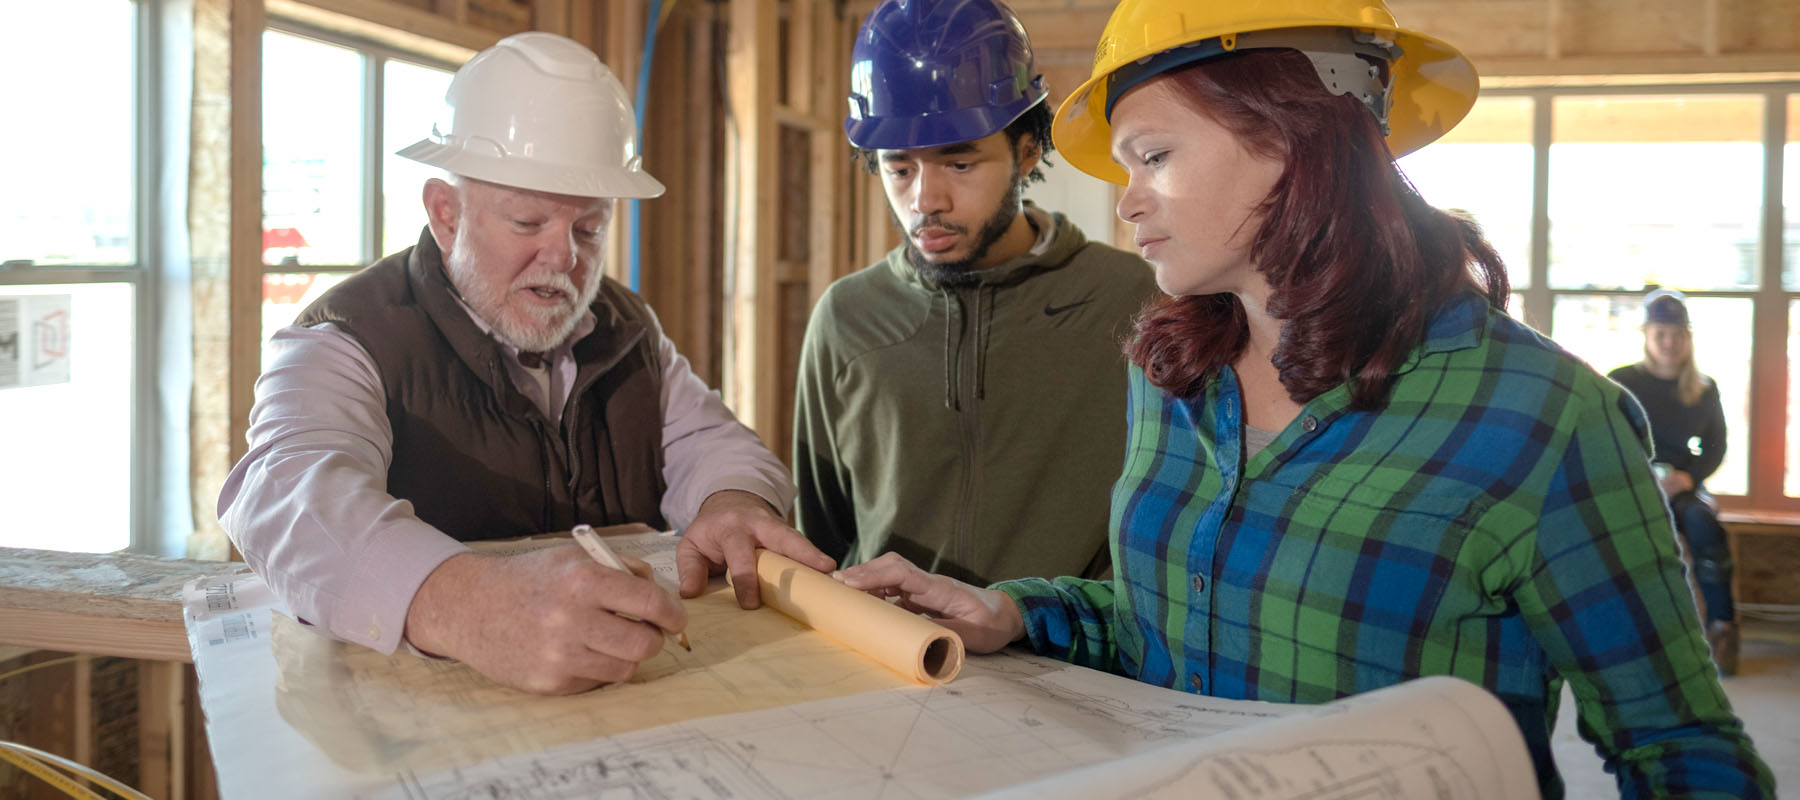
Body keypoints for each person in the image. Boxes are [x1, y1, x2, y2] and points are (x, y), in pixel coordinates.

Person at [833, 0, 1774, 795]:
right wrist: (1011, 611)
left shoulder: (1543, 420)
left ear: (1293, 138)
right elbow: (1164, 630)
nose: (1127, 203)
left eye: (1152, 156)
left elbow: (1682, 752)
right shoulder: (1173, 374)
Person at [217, 32, 834, 696]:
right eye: (528, 222)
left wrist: (731, 501)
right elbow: (288, 495)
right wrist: (464, 604)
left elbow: (709, 440)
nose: (563, 257)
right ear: (446, 214)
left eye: (589, 230)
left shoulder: (628, 330)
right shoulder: (347, 337)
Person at [792, 0, 1159, 585]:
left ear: (1028, 152)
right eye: (899, 168)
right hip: (893, 658)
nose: (925, 200)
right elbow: (821, 538)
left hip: (1076, 663)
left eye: (959, 164)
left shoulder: (1129, 300)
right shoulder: (846, 318)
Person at [1608, 290, 1737, 674]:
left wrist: (1687, 477)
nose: (1669, 342)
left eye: (1678, 334)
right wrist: (1641, 476)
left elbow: (1716, 446)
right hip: (1634, 485)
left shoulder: (1704, 387)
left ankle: (1722, 627)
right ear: (1646, 334)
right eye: (1661, 333)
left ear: (1688, 337)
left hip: (1684, 487)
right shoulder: (1621, 381)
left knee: (1702, 523)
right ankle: (1622, 633)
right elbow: (1605, 438)